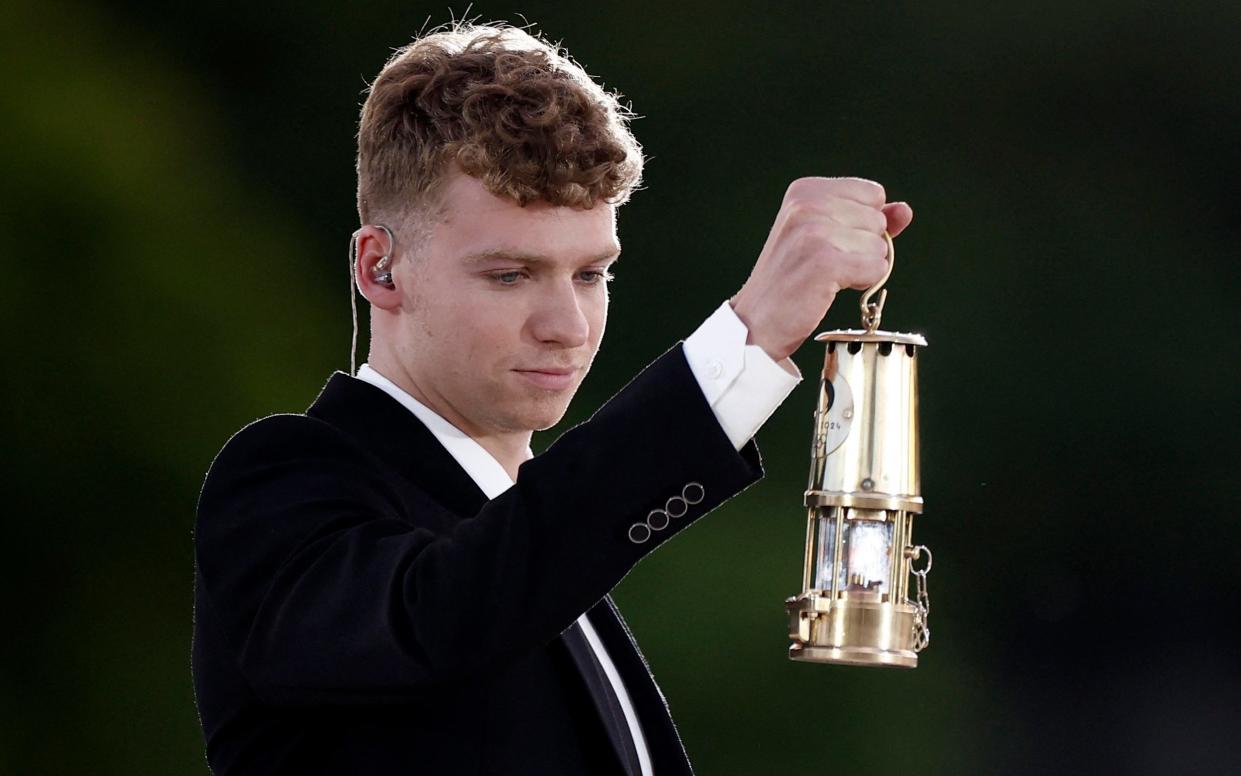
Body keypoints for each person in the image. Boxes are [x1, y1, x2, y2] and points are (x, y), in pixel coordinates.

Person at [192, 22, 913, 776]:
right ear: (380, 269)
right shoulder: (280, 480)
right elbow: (445, 615)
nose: (566, 327)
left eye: (590, 274)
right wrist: (747, 337)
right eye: (508, 275)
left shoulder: (538, 555)